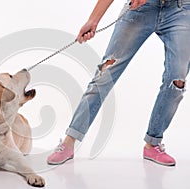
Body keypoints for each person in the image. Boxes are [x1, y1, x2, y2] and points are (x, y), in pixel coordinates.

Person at [47, 0, 190, 166]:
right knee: (106, 72)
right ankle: (69, 141)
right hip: (141, 8)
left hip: (180, 10)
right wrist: (93, 20)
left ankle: (153, 143)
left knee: (176, 79)